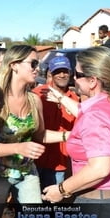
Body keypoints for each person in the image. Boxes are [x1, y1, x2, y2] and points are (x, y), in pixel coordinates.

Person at [42, 46, 110, 218]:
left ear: (93, 81)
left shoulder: (95, 116)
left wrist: (62, 190)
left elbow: (99, 169)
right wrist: (61, 99)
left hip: (100, 203)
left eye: (77, 75)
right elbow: (88, 114)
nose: (73, 79)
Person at [0, 45, 46, 218]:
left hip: (26, 171)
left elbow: (41, 135)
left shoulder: (34, 100)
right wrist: (19, 147)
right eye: (33, 63)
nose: (37, 68)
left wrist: (69, 135)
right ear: (14, 65)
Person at [33, 56, 79, 190]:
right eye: (58, 72)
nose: (62, 75)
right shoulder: (37, 95)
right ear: (50, 74)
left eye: (65, 71)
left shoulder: (74, 100)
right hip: (36, 160)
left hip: (60, 164)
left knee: (53, 205)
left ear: (70, 73)